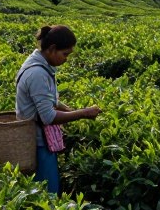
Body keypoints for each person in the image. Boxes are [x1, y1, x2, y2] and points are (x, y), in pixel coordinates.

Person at [15, 25, 101, 195]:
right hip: (38, 144)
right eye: (65, 54)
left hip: (37, 140)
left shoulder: (37, 63)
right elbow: (48, 117)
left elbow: (46, 99)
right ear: (52, 49)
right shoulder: (38, 73)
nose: (66, 59)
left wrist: (68, 110)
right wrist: (83, 113)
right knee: (47, 194)